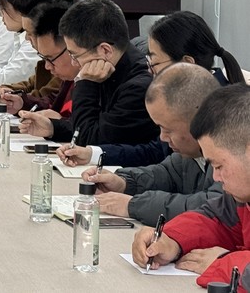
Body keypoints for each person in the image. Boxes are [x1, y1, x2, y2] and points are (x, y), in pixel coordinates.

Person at [59, 9, 245, 168]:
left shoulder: (220, 113)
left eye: (154, 63)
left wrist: (85, 82)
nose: (149, 71)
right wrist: (92, 154)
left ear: (187, 63)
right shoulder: (189, 96)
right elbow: (157, 152)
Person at [132, 84, 250, 289]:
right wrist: (172, 240)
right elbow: (217, 220)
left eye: (219, 166)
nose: (216, 177)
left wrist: (224, 263)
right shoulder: (241, 198)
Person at [80, 64, 222, 225]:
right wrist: (125, 183)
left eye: (167, 129)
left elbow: (214, 207)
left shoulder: (233, 150)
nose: (162, 137)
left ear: (198, 120)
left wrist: (133, 205)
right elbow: (167, 174)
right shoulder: (191, 152)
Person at [18, 0, 158, 146]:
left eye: (75, 55)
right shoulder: (108, 68)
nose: (74, 63)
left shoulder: (138, 88)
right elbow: (93, 127)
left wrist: (85, 83)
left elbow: (89, 138)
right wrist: (53, 127)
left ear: (105, 50)